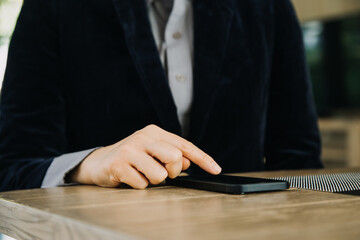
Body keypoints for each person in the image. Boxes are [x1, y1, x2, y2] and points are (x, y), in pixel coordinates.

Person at [0, 0, 323, 192]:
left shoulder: (266, 6)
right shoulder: (53, 7)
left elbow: (299, 155)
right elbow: (13, 167)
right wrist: (90, 164)